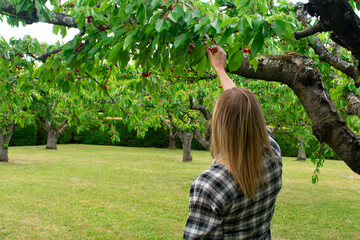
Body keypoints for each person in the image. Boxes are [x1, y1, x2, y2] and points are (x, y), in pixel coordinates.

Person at [183, 46, 282, 240]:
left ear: (219, 126)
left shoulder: (210, 185)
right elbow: (243, 109)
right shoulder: (273, 154)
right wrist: (220, 68)